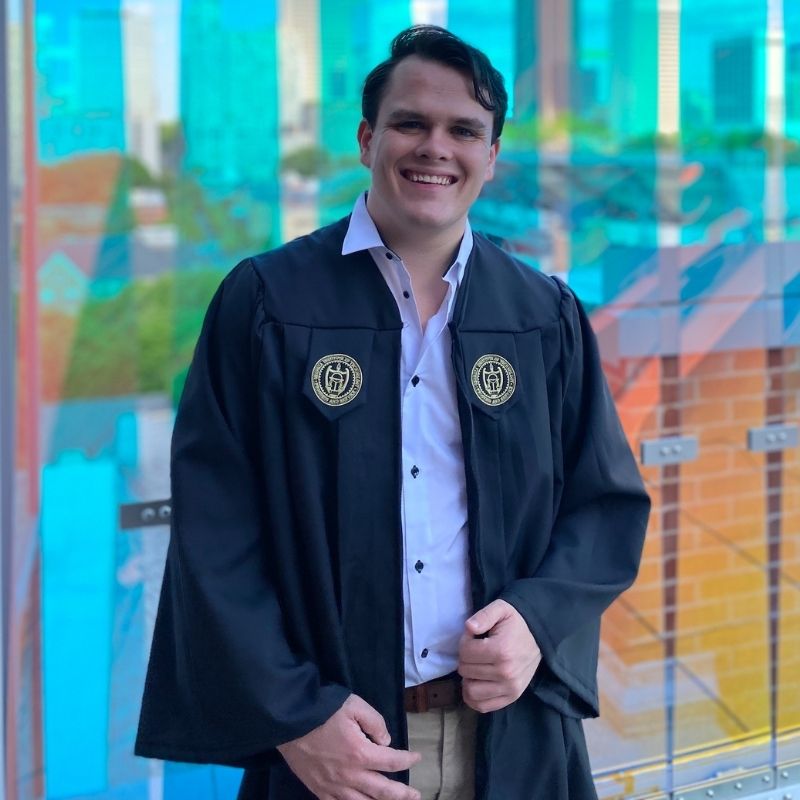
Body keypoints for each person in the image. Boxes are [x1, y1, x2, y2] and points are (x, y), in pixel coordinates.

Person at [135, 25, 650, 800]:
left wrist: (536, 621)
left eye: (464, 130)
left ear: (492, 156)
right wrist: (293, 715)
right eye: (411, 122)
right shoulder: (269, 303)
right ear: (368, 137)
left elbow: (604, 507)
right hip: (338, 749)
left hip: (512, 741)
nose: (435, 147)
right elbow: (216, 532)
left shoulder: (541, 316)